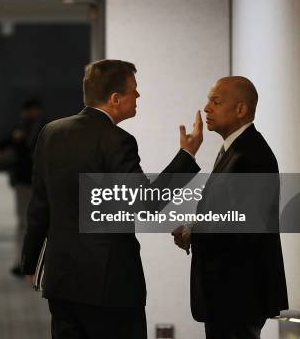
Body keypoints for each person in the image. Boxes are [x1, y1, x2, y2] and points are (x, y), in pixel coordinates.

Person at [20, 59, 203, 339]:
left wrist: (31, 262)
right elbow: (146, 202)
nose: (138, 96)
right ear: (116, 99)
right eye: (134, 90)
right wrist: (186, 156)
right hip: (110, 286)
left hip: (62, 280)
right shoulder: (117, 139)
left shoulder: (51, 133)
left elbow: (39, 206)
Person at [172, 76, 289, 339]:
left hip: (238, 294)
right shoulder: (233, 150)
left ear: (241, 109)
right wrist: (194, 228)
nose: (206, 108)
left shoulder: (251, 155)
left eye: (215, 101)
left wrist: (194, 233)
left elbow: (242, 225)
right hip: (227, 294)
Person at [0, 99, 44, 277]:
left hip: (30, 181)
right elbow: (3, 144)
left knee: (26, 223)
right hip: (28, 181)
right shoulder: (32, 128)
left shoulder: (38, 128)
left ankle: (27, 261)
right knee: (26, 223)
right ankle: (24, 261)